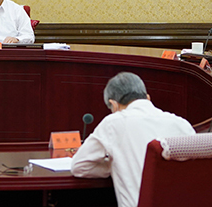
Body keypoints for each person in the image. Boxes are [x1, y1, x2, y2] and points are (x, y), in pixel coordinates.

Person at [71, 72, 194, 207]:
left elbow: (79, 166)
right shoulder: (182, 124)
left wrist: (114, 165)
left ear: (114, 105)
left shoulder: (113, 122)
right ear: (147, 98)